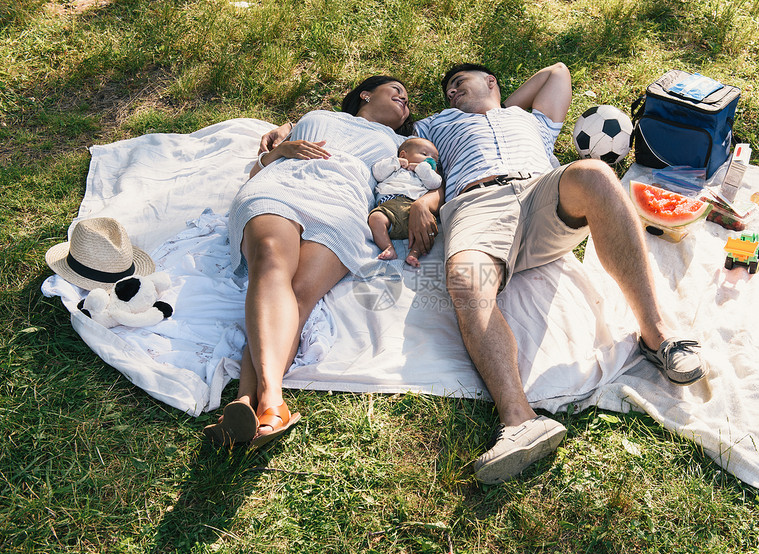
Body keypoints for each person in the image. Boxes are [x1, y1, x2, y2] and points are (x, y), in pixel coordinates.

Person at [413, 62, 709, 484]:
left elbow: (558, 72)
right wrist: (426, 198)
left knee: (594, 174)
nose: (452, 93)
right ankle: (519, 422)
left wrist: (500, 106)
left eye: (461, 84)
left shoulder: (531, 121)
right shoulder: (437, 124)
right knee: (466, 280)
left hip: (541, 192)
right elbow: (408, 155)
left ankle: (656, 334)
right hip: (476, 203)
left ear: (493, 82)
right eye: (449, 91)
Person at [204, 75, 440, 448]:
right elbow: (257, 168)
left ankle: (246, 401)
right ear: (365, 94)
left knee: (299, 296)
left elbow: (435, 180)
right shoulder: (315, 116)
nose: (404, 101)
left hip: (344, 204)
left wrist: (425, 204)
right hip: (282, 184)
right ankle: (273, 402)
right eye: (396, 92)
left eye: (407, 102)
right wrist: (276, 151)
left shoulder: (402, 144)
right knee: (269, 264)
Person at [368, 137, 443, 267]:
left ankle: (414, 253)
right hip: (389, 205)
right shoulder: (395, 167)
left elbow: (435, 183)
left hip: (413, 211)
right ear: (403, 154)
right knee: (376, 218)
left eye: (434, 159)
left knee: (429, 228)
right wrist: (396, 162)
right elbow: (378, 173)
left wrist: (422, 169)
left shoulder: (425, 174)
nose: (429, 159)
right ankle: (388, 247)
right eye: (424, 154)